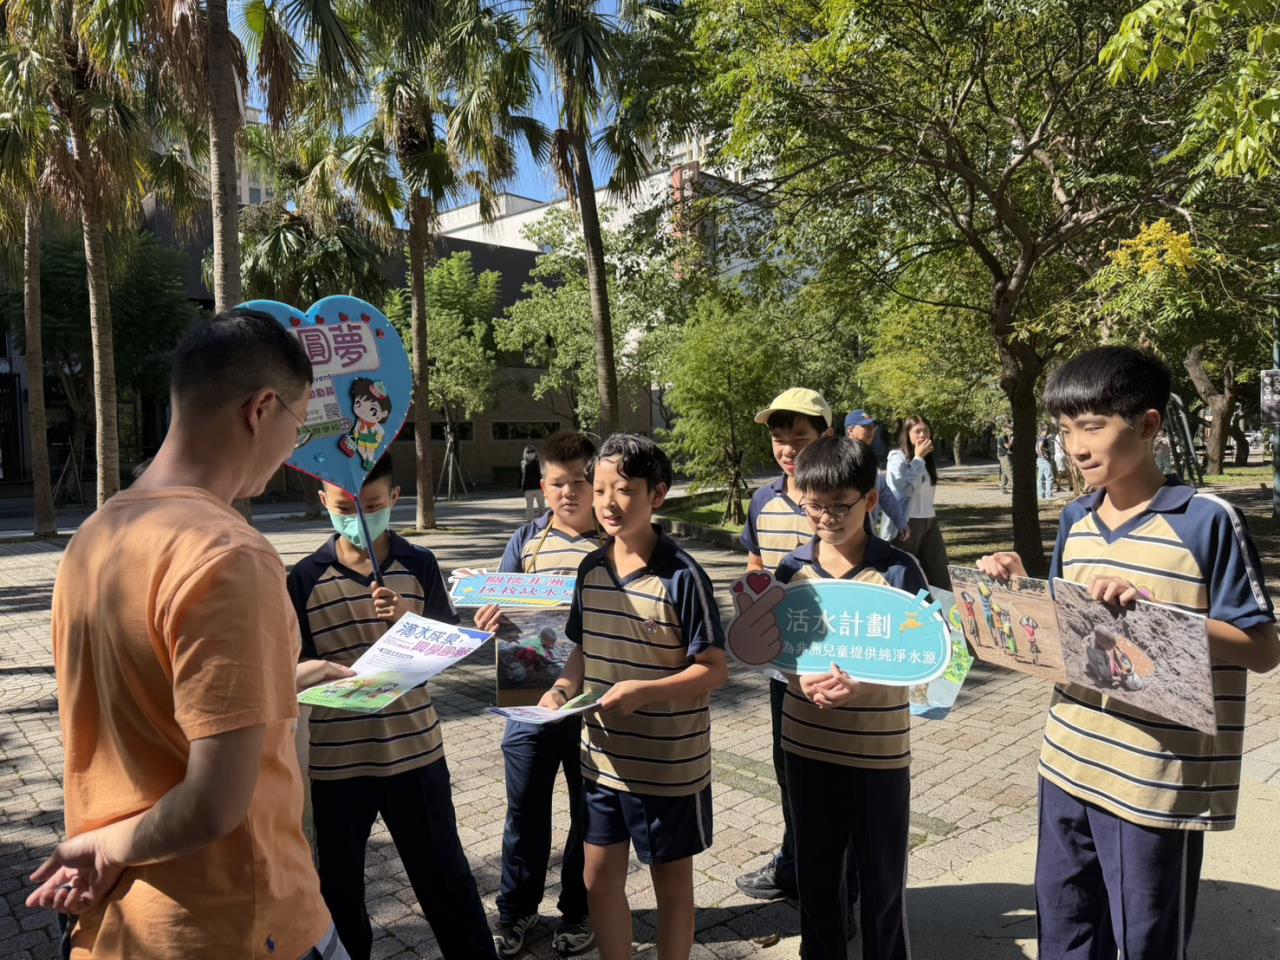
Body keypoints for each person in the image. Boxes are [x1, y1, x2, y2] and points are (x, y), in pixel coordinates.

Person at [28, 310, 352, 959]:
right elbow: (214, 804)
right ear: (261, 409)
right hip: (235, 925)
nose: (294, 451)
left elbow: (153, 703)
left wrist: (279, 686)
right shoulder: (229, 555)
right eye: (298, 425)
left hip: (116, 928)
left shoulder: (93, 537)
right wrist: (106, 845)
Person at [977, 346, 1280, 960]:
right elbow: (1067, 630)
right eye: (1066, 430)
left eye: (1093, 427)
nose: (1076, 447)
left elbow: (1262, 648)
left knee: (1144, 939)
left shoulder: (1206, 520)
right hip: (1067, 758)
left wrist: (1151, 617)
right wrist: (1016, 592)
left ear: (1147, 425)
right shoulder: (1076, 518)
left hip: (1154, 777)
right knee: (1065, 927)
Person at [287, 452, 497, 960]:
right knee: (339, 891)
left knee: (446, 878)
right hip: (338, 765)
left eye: (373, 505)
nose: (359, 519)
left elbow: (447, 643)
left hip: (415, 754)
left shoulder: (419, 563)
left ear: (394, 499)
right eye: (345, 508)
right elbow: (291, 666)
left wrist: (411, 621)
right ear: (324, 501)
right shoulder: (304, 578)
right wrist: (319, 674)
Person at [732, 435, 921, 959]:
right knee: (816, 883)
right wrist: (798, 681)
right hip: (807, 748)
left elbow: (935, 661)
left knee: (882, 885)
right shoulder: (790, 571)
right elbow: (778, 655)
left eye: (841, 505)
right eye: (815, 506)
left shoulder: (900, 570)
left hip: (878, 754)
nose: (827, 518)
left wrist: (868, 682)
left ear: (870, 500)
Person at [556, 434, 728, 960]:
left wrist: (644, 692)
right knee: (597, 879)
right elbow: (582, 647)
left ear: (658, 494)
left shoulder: (683, 576)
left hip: (669, 767)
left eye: (624, 489)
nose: (608, 502)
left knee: (671, 888)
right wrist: (562, 689)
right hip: (602, 761)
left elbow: (714, 668)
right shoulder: (590, 569)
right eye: (599, 489)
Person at [734, 389, 860, 927]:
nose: (787, 449)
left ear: (826, 437)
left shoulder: (844, 500)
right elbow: (755, 565)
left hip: (842, 668)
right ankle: (796, 866)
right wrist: (752, 595)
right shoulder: (763, 501)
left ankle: (844, 891)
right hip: (784, 666)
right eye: (779, 438)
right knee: (790, 770)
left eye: (800, 438)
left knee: (841, 777)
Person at [472, 431, 600, 958]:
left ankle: (580, 910)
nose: (569, 492)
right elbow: (501, 611)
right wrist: (490, 620)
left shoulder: (613, 543)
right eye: (557, 483)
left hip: (593, 705)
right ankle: (516, 912)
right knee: (524, 810)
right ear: (542, 486)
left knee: (590, 812)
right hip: (528, 701)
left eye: (580, 481)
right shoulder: (525, 541)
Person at [886, 414, 952, 589]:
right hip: (907, 523)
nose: (923, 435)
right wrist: (918, 459)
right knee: (904, 572)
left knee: (940, 572)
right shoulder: (897, 457)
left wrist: (921, 458)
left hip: (929, 520)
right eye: (917, 431)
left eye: (926, 431)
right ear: (907, 434)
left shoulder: (927, 460)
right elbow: (906, 489)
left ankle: (943, 605)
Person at [844, 409, 910, 544]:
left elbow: (884, 493)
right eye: (866, 426)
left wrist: (900, 521)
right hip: (843, 531)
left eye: (873, 427)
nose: (871, 430)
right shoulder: (839, 458)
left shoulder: (869, 458)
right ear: (850, 430)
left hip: (867, 531)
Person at [522, 445, 546, 520]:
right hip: (528, 488)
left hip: (538, 487)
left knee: (541, 505)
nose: (530, 453)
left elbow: (543, 474)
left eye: (532, 451)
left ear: (535, 453)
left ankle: (543, 519)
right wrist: (522, 487)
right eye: (528, 452)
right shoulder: (523, 463)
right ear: (525, 453)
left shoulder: (539, 462)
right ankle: (530, 520)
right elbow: (523, 476)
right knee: (529, 506)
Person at [1036, 427, 1056, 500]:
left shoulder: (1039, 438)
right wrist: (1044, 455)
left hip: (1039, 459)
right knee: (1049, 477)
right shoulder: (1043, 438)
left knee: (1040, 478)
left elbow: (1036, 448)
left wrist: (1040, 454)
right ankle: (1048, 495)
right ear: (1044, 431)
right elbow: (1040, 447)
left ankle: (1041, 495)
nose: (1048, 432)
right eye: (1047, 430)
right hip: (1044, 460)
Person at [995, 427, 1013, 494]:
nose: (1011, 430)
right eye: (1010, 428)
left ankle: (1003, 489)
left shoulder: (1001, 435)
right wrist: (1012, 440)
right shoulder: (1003, 436)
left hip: (1002, 455)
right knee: (1010, 471)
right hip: (1004, 456)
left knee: (1004, 472)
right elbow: (1007, 446)